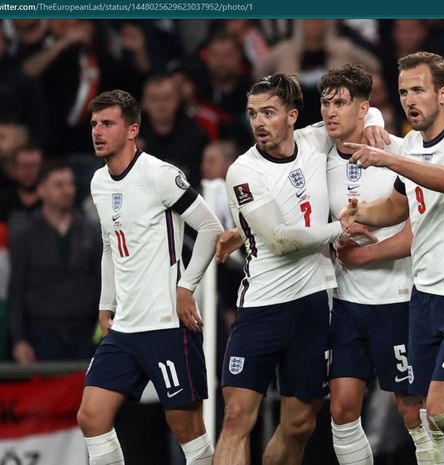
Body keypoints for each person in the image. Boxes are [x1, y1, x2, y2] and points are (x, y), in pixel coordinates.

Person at [213, 73, 384, 465]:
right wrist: (339, 228)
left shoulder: (314, 140)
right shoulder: (244, 170)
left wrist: (373, 124)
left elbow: (364, 109)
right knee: (238, 416)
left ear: (292, 116)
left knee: (299, 423)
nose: (258, 121)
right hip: (261, 307)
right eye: (253, 113)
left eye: (268, 112)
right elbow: (279, 238)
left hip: (311, 306)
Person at [342, 51, 444, 465]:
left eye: (419, 90)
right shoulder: (413, 144)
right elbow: (397, 207)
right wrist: (358, 213)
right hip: (425, 295)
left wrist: (387, 157)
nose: (410, 100)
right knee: (429, 418)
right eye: (403, 92)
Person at [76, 89, 224, 465]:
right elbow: (111, 246)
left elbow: (209, 227)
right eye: (94, 124)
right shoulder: (99, 183)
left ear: (132, 130)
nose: (97, 131)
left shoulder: (159, 174)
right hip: (125, 327)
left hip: (166, 325)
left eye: (107, 123)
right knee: (91, 417)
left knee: (187, 432)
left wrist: (185, 287)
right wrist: (106, 303)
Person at [319, 64, 420, 465]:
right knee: (342, 409)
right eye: (325, 102)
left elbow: (419, 231)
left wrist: (364, 253)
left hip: (397, 300)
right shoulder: (315, 161)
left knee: (411, 409)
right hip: (346, 304)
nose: (330, 111)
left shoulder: (400, 153)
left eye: (341, 103)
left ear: (364, 109)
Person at [8, 161, 101, 364]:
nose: (68, 190)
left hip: (86, 334)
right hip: (41, 336)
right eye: (59, 185)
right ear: (41, 190)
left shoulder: (92, 232)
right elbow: (15, 291)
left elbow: (103, 285)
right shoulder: (24, 236)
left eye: (70, 184)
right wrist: (19, 340)